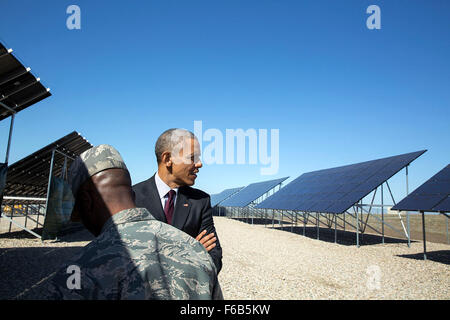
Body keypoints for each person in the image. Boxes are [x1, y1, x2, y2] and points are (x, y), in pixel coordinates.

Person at [21, 144, 223, 300]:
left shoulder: (77, 271)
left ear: (86, 202)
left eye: (78, 210)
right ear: (131, 191)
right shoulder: (196, 252)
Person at [133, 129, 223, 273]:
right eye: (192, 157)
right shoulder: (132, 198)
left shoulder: (200, 201)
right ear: (168, 159)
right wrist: (189, 252)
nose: (199, 164)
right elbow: (126, 256)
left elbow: (214, 257)